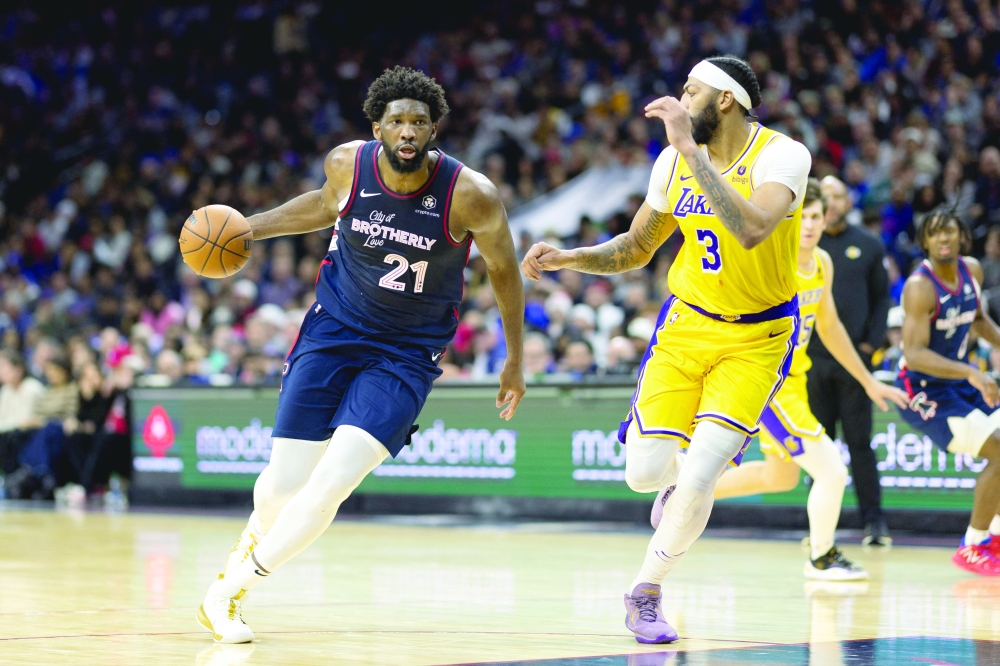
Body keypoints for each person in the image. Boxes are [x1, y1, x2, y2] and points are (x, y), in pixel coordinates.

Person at [197, 67, 526, 643]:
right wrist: (249, 227)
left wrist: (514, 359)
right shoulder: (348, 164)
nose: (407, 130)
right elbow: (325, 206)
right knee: (280, 487)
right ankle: (250, 542)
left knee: (334, 482)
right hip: (333, 332)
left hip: (407, 353)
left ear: (432, 130)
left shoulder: (471, 194)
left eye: (419, 121)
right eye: (397, 120)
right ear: (377, 127)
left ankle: (230, 589)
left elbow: (504, 271)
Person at [522, 55, 811, 643]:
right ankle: (677, 486)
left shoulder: (783, 155)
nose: (679, 100)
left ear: (724, 100)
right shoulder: (672, 163)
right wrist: (569, 257)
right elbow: (635, 247)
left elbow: (753, 228)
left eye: (691, 91)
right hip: (685, 326)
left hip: (758, 335)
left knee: (703, 473)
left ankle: (645, 591)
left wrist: (690, 151)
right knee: (643, 474)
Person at [649, 179, 909, 579]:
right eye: (802, 216)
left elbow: (832, 328)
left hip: (796, 383)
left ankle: (686, 486)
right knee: (832, 471)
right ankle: (821, 557)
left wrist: (869, 381)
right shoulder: (776, 259)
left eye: (817, 217)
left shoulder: (822, 261)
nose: (809, 224)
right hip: (767, 381)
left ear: (827, 220)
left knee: (780, 476)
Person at [895, 208, 1000, 576]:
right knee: (998, 449)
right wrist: (972, 372)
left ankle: (996, 538)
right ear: (925, 241)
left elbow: (978, 319)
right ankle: (972, 544)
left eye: (950, 231)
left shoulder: (971, 270)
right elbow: (914, 354)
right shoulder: (919, 287)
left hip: (958, 382)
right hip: (923, 390)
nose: (943, 238)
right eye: (935, 233)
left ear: (961, 237)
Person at [811, 176, 893, 546]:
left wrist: (868, 347)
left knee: (860, 444)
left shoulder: (869, 245)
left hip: (854, 362)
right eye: (824, 198)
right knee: (817, 446)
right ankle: (819, 529)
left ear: (848, 202)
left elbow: (881, 301)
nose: (830, 204)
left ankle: (873, 523)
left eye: (837, 197)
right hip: (810, 363)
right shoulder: (804, 246)